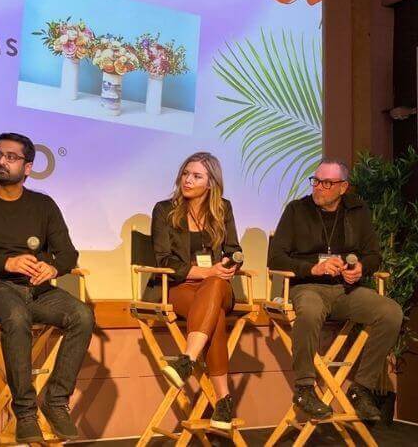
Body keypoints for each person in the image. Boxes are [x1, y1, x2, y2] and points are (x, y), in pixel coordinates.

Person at [0, 132, 95, 443]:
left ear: (27, 167)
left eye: (11, 157)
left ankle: (56, 401)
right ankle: (26, 412)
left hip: (38, 290)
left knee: (82, 315)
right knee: (16, 317)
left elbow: (68, 253)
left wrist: (52, 267)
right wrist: (7, 263)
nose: (2, 161)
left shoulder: (43, 205)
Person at [268, 158, 402, 421]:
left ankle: (362, 388)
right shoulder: (297, 210)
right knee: (309, 311)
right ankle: (304, 388)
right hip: (308, 286)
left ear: (343, 187)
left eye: (327, 183)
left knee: (391, 312)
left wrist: (360, 268)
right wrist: (312, 268)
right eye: (316, 181)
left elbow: (373, 255)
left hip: (345, 290)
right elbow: (275, 259)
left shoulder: (357, 211)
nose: (319, 187)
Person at [145, 152, 242, 430]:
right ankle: (223, 401)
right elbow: (164, 260)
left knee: (215, 285)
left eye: (196, 176)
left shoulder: (223, 208)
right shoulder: (164, 210)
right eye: (186, 174)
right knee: (215, 317)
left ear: (210, 183)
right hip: (179, 286)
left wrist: (229, 264)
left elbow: (234, 250)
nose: (187, 180)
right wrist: (206, 272)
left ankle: (187, 359)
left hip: (217, 286)